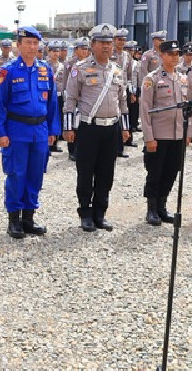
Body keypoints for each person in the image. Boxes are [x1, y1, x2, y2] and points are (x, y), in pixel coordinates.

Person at [0, 26, 61, 238]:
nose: (32, 47)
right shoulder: (8, 71)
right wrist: (0, 132)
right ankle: (14, 219)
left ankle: (29, 218)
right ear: (18, 45)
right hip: (16, 130)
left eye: (35, 43)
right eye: (27, 42)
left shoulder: (45, 69)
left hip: (40, 130)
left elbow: (52, 102)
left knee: (35, 174)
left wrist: (52, 129)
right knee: (16, 173)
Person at [63, 24, 130, 231]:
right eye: (101, 43)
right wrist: (68, 128)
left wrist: (125, 128)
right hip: (88, 128)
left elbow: (123, 101)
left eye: (109, 43)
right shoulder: (80, 69)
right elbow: (70, 99)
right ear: (92, 45)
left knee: (106, 173)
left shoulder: (117, 70)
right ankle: (85, 213)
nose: (106, 47)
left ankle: (100, 213)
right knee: (85, 172)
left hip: (111, 129)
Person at [139, 39, 192, 226]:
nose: (175, 57)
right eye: (171, 54)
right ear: (161, 55)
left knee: (171, 171)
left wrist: (188, 132)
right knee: (155, 172)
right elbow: (145, 110)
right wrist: (149, 137)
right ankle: (151, 209)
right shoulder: (152, 79)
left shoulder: (183, 78)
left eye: (177, 54)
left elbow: (188, 107)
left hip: (177, 134)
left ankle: (162, 206)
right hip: (159, 135)